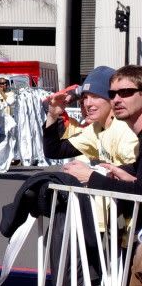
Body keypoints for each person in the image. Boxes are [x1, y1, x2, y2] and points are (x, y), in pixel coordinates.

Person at [58, 66, 142, 286]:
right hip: (128, 236)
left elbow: (139, 192)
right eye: (112, 93)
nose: (117, 99)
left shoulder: (125, 135)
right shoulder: (103, 130)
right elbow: (55, 149)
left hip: (129, 237)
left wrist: (92, 177)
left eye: (125, 92)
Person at [41, 66, 137, 233]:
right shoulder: (96, 128)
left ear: (111, 99)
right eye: (85, 97)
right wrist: (53, 115)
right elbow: (54, 151)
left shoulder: (124, 130)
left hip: (132, 218)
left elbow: (135, 178)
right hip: (117, 215)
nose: (88, 104)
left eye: (95, 96)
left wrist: (92, 174)